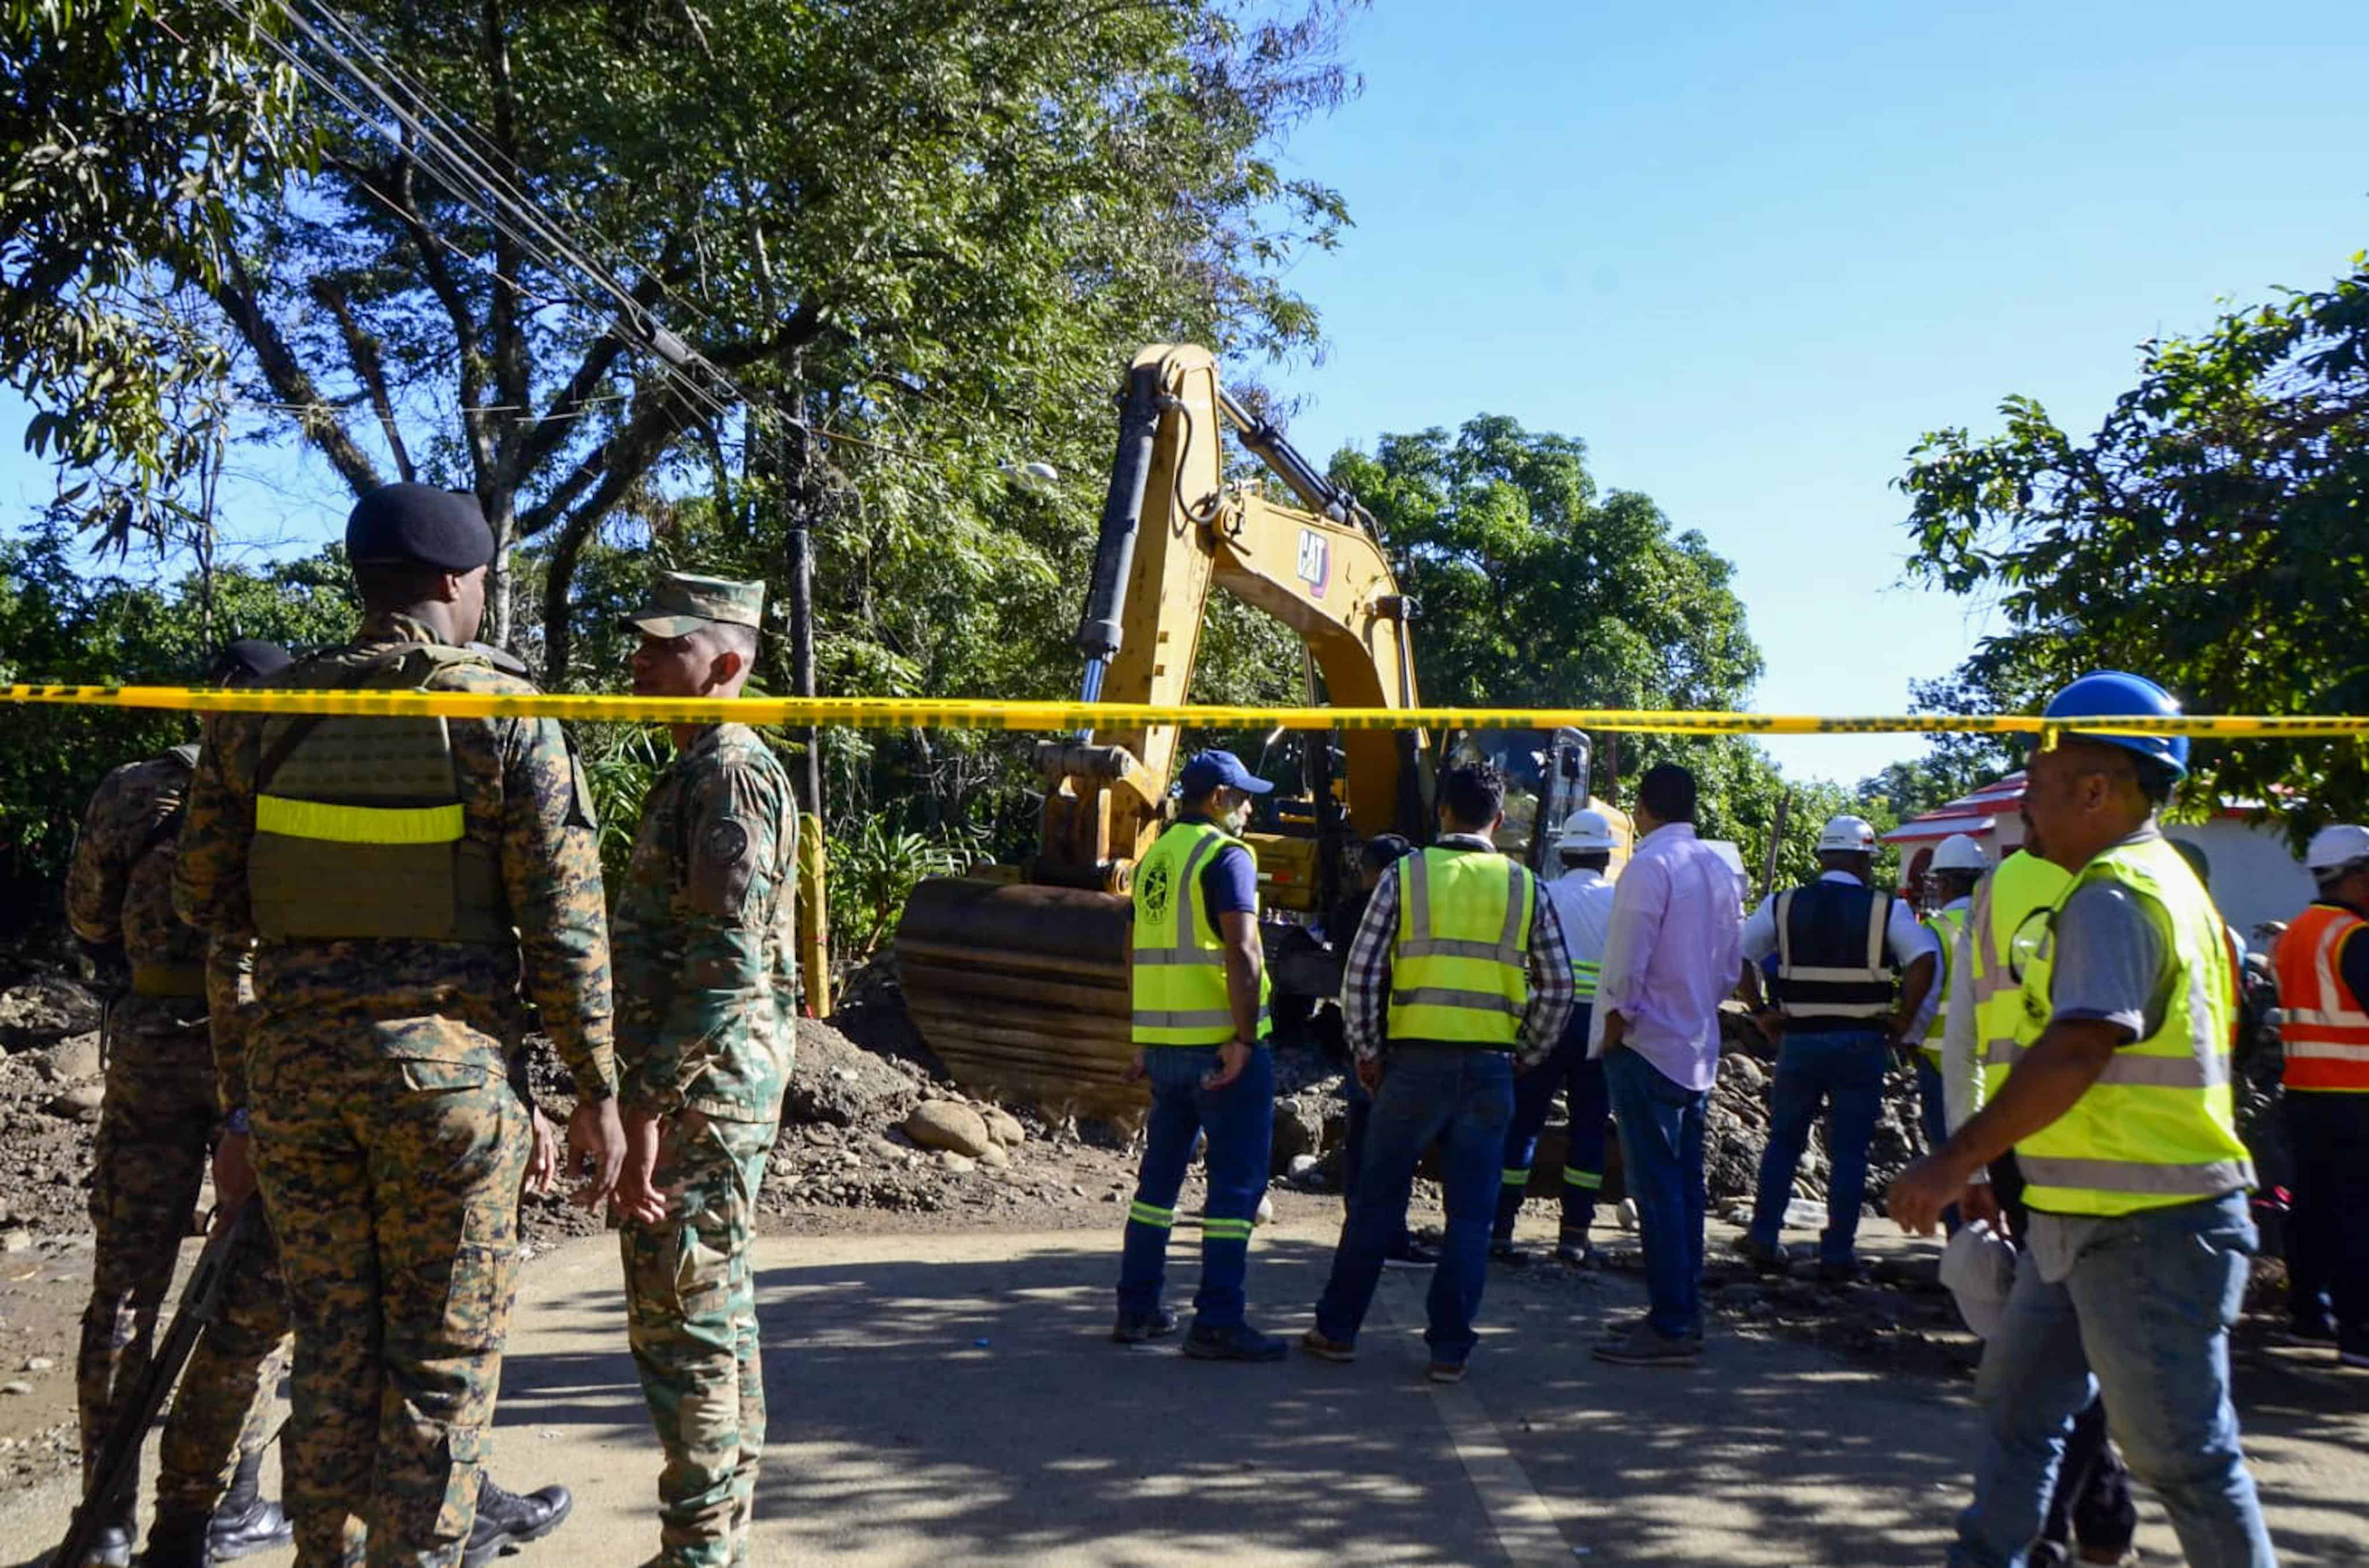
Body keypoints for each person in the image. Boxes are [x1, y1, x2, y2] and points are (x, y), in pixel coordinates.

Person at [175, 482, 626, 1566]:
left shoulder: (269, 718)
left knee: (334, 1348)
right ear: (459, 585)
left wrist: (248, 1089)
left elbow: (209, 908)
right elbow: (566, 931)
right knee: (442, 1364)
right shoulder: (501, 717)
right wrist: (598, 1090)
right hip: (448, 1087)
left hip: (295, 1084)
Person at [1890, 670, 2276, 1568]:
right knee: (2019, 1415)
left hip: (2150, 1230)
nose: (2024, 804)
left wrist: (1955, 1160)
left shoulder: (2116, 893)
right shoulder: (2157, 878)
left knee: (2183, 1456)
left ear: (2096, 788)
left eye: (2037, 780)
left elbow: (2077, 1047)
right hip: (2077, 1220)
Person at [67, 641, 297, 1568]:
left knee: (126, 1282)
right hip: (262, 1048)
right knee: (250, 1280)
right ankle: (227, 1501)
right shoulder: (290, 784)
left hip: (155, 1045)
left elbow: (87, 914)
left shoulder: (135, 790)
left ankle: (108, 1519)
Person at [609, 573, 800, 1566]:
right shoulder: (697, 769)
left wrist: (643, 1105)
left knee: (682, 1318)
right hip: (700, 1084)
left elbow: (724, 963)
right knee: (710, 1309)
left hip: (702, 1093)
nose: (639, 662)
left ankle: (698, 1550)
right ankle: (711, 1539)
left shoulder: (727, 771)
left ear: (724, 663)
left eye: (662, 647)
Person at [1303, 762, 1573, 1381]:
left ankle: (1337, 1330)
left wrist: (1367, 1051)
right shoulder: (1526, 885)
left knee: (1376, 1200)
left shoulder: (1406, 876)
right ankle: (1449, 1349)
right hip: (1488, 1071)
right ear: (1499, 821)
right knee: (1471, 1216)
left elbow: (1362, 973)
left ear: (1442, 811)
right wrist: (1523, 1053)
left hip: (1412, 1065)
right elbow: (1556, 987)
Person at [1937, 812, 2138, 1568]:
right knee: (2069, 1351)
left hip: (2030, 1149)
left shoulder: (2007, 886)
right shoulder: (2143, 877)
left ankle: (2084, 1517)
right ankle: (2084, 1518)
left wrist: (1973, 1159)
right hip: (2108, 1155)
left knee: (2057, 1354)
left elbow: (1964, 1035)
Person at [1113, 749, 1287, 1361]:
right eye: (1242, 796)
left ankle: (1137, 1308)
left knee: (1157, 1185)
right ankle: (1216, 1320)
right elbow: (1243, 953)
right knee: (1236, 1189)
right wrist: (1243, 1038)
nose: (1249, 807)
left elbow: (1134, 949)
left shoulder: (1154, 856)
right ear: (1216, 796)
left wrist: (1141, 1037)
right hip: (1220, 1052)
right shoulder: (1226, 855)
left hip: (1164, 1049)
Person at [1736, 814, 1940, 1282]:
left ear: (1822, 857)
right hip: (1860, 1043)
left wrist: (1761, 1012)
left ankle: (1764, 1237)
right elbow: (1924, 960)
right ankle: (1838, 1252)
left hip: (1799, 1040)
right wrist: (1904, 1018)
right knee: (1850, 1151)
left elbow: (1738, 954)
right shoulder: (1884, 909)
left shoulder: (1783, 905)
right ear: (1865, 860)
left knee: (1784, 1141)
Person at [1587, 763, 1744, 1367]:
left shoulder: (1647, 866)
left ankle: (1671, 1323)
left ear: (1642, 808)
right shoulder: (1716, 868)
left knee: (1656, 1192)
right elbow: (1731, 965)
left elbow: (1626, 956)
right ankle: (1682, 1314)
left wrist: (1614, 1024)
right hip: (1694, 1048)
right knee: (1682, 1192)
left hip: (1645, 1045)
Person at [1492, 809, 1619, 1266]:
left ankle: (1501, 1229)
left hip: (1545, 1015)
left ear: (1563, 854)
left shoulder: (1542, 892)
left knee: (1523, 1123)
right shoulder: (1619, 898)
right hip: (1598, 1026)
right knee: (1588, 1128)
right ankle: (1574, 1235)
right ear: (1606, 857)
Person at [2275, 822, 2369, 1367]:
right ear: (2355, 876)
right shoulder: (2353, 937)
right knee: (2360, 1213)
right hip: (2357, 1096)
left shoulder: (2295, 934)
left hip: (2306, 1091)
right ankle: (2359, 1331)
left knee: (2314, 1206)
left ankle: (2308, 1313)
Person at [1330, 835, 1438, 1270]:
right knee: (1395, 1146)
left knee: (1361, 1140)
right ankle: (1390, 1234)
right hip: (1397, 1038)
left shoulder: (1344, 912)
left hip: (1359, 1038)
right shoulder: (1400, 911)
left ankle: (1358, 1225)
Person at [1915, 833, 1991, 1232]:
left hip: (1940, 1062)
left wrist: (1907, 1036)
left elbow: (1926, 996)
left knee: (1948, 1155)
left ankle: (1961, 1247)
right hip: (1994, 1061)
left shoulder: (1938, 928)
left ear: (1943, 883)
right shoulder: (1997, 922)